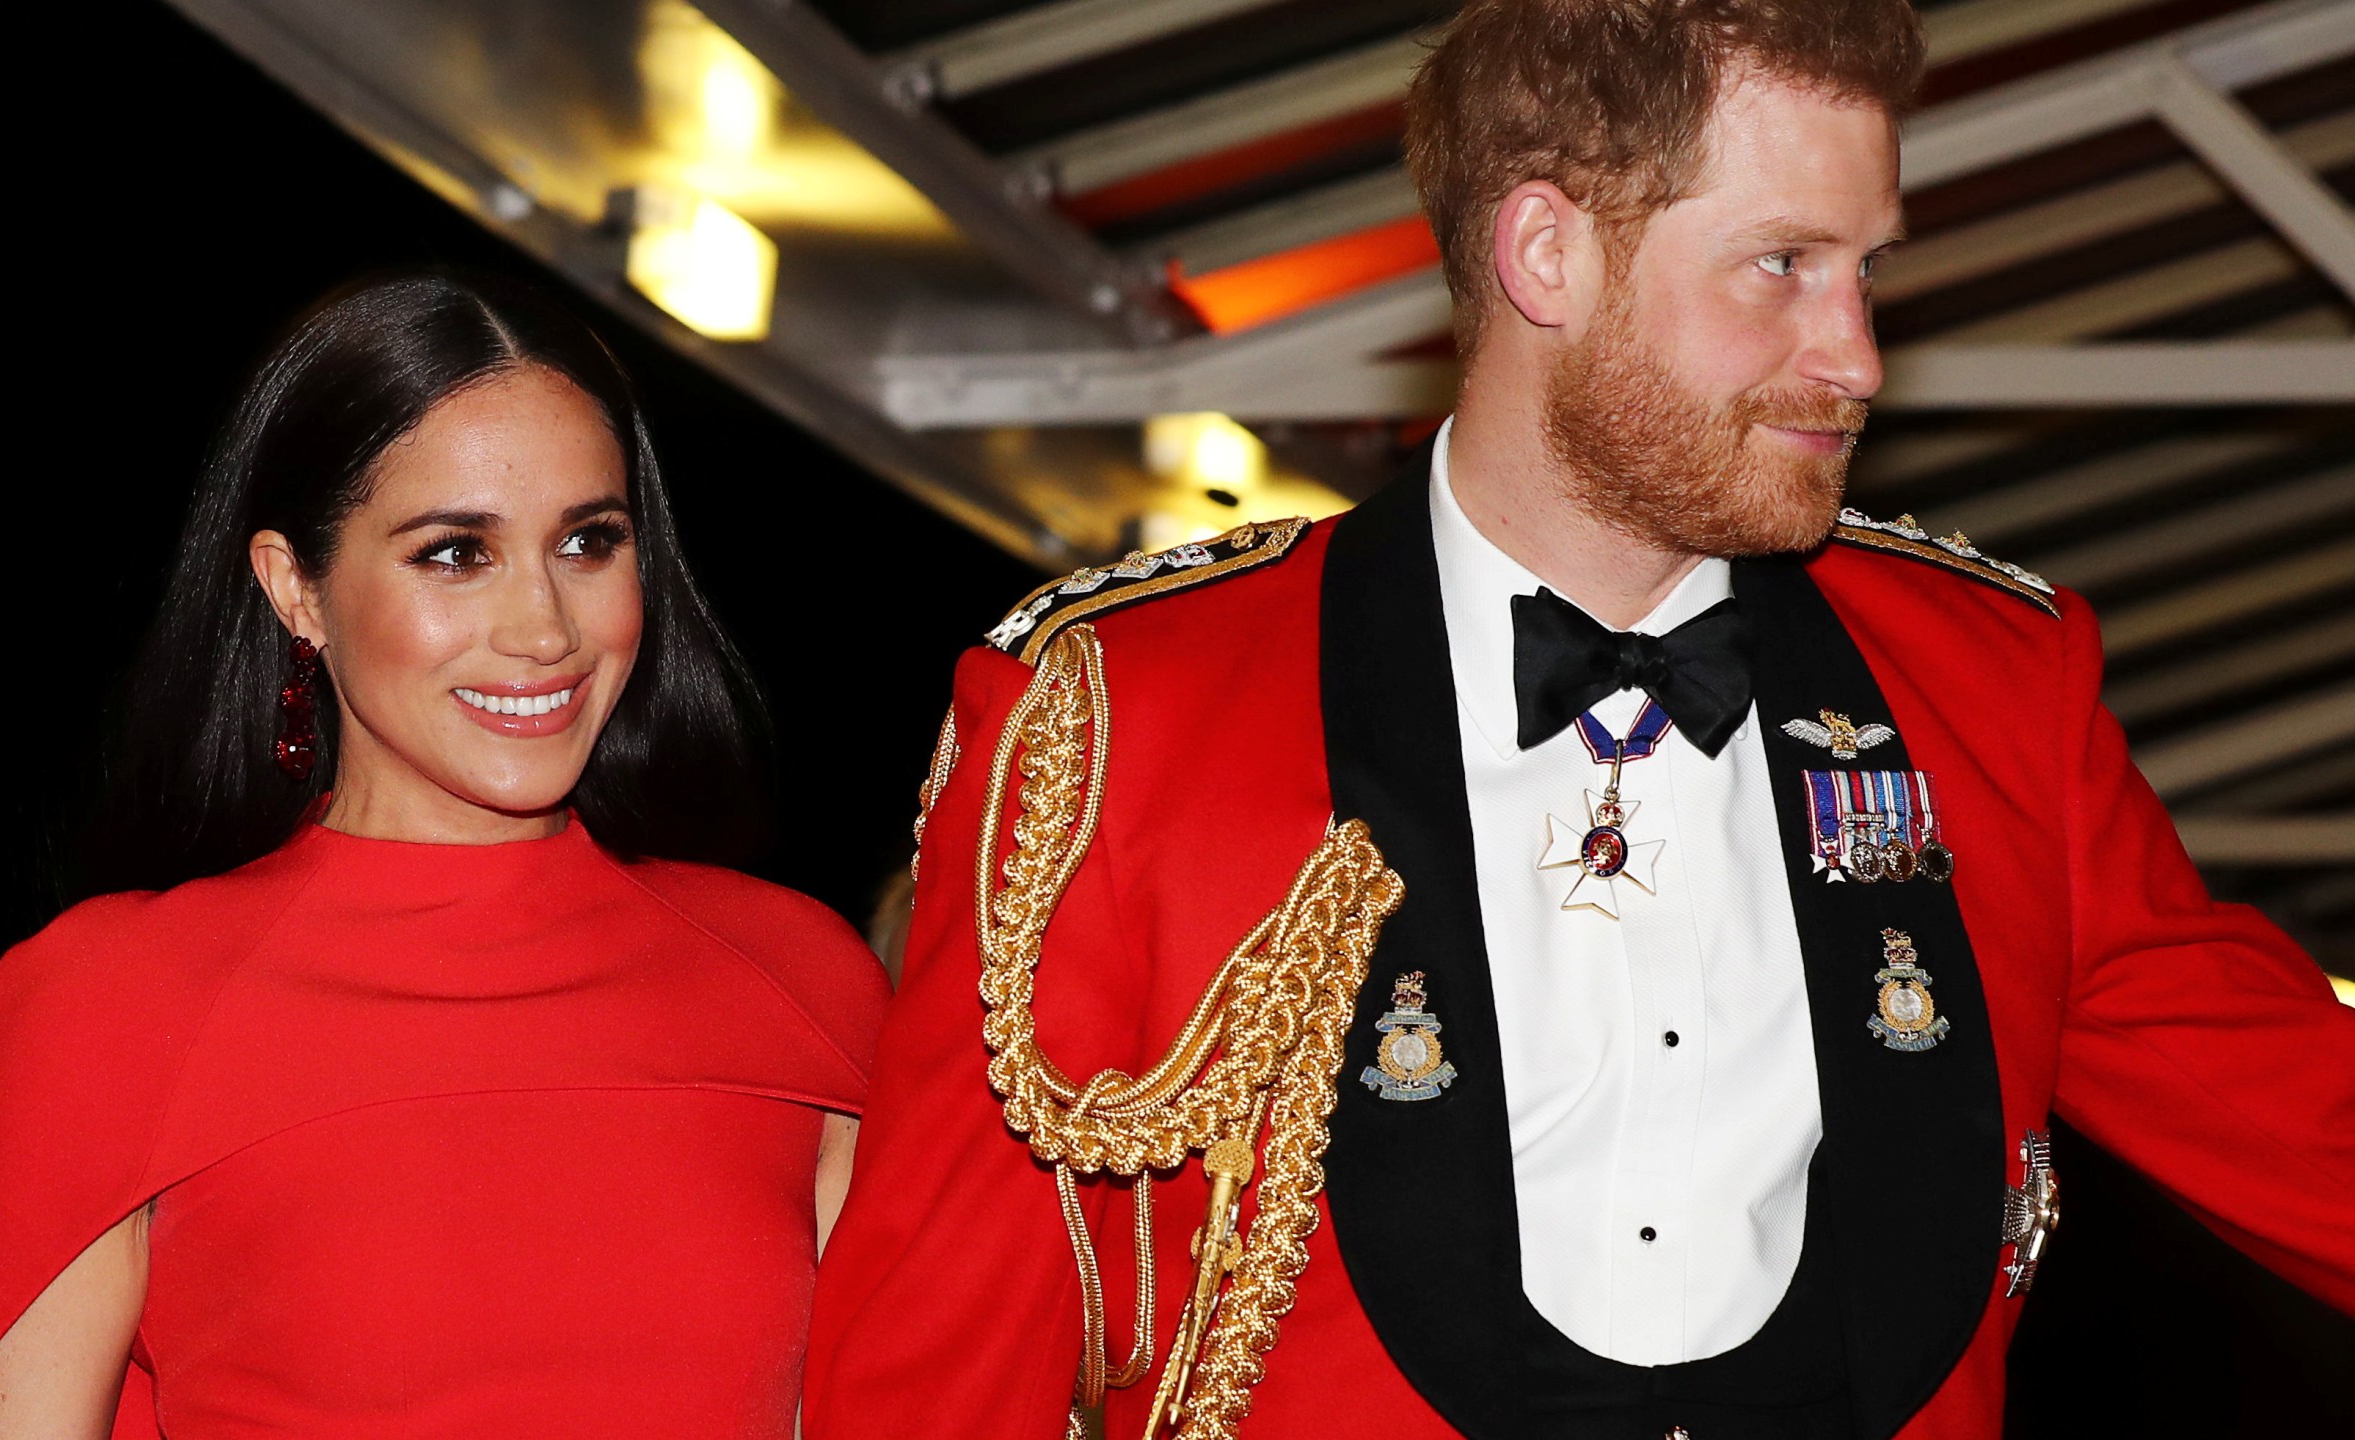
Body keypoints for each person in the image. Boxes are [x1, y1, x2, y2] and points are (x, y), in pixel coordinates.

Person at [804, 3, 2354, 1437]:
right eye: (1783, 266)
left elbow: (2300, 1124)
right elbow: (936, 1376)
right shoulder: (1122, 712)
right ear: (1547, 255)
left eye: (1867, 269)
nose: (1859, 356)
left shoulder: (1994, 689)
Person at [0, 271, 889, 1438]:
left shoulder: (802, 980)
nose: (543, 630)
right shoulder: (106, 1004)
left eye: (588, 541)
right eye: (453, 553)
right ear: (298, 589)